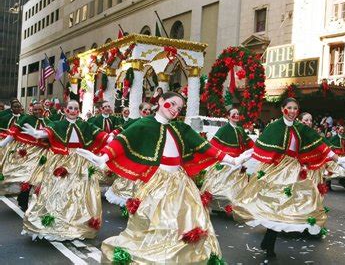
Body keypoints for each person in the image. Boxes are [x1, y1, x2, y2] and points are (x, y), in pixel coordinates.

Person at [77, 92, 250, 263]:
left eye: (179, 107)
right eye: (172, 104)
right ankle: (159, 254)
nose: (175, 109)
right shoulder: (144, 124)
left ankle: (179, 256)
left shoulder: (180, 128)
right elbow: (122, 142)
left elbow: (205, 147)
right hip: (157, 182)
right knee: (158, 221)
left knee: (187, 219)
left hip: (181, 182)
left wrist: (233, 160)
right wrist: (102, 158)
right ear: (160, 101)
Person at [232, 98, 345, 258]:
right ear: (283, 109)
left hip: (294, 170)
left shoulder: (301, 128)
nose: (293, 111)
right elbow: (259, 146)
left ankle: (269, 240)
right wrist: (239, 159)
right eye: (289, 107)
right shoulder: (274, 127)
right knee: (275, 204)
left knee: (288, 205)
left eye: (295, 108)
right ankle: (269, 241)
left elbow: (320, 146)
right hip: (276, 170)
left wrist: (339, 160)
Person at [21, 100, 108, 241]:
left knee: (79, 192)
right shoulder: (58, 124)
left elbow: (100, 135)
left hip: (81, 160)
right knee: (59, 190)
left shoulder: (85, 125)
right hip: (62, 160)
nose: (73, 111)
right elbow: (47, 132)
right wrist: (36, 133)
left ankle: (76, 223)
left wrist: (113, 139)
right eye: (70, 108)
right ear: (65, 110)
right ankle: (56, 221)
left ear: (78, 111)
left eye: (75, 108)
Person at [200, 108, 254, 211]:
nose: (237, 115)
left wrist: (259, 148)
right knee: (222, 185)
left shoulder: (240, 129)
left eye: (238, 114)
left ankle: (232, 206)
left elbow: (249, 142)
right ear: (228, 116)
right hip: (226, 162)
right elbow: (213, 145)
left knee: (237, 186)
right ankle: (218, 206)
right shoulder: (223, 129)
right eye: (234, 114)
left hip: (238, 162)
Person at [0, 103, 50, 209]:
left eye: (39, 109)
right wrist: (3, 144)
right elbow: (14, 132)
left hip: (43, 153)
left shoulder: (48, 122)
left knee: (38, 177)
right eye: (35, 109)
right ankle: (23, 200)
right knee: (28, 176)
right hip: (29, 152)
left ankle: (28, 199)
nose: (37, 111)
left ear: (42, 110)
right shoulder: (26, 119)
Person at [104, 102, 153, 207]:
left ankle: (141, 201)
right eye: (145, 110)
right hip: (135, 154)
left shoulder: (155, 124)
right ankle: (127, 204)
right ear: (140, 111)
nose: (148, 112)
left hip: (148, 156)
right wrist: (112, 135)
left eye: (149, 110)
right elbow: (121, 129)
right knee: (131, 178)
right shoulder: (135, 122)